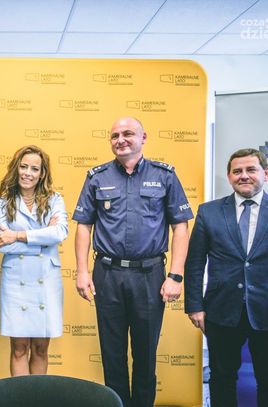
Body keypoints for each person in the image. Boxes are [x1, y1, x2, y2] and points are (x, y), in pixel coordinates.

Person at [73, 117, 193, 407]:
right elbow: (84, 226)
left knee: (145, 354)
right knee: (112, 354)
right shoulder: (97, 177)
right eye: (115, 135)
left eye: (128, 133)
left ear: (143, 137)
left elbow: (180, 226)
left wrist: (175, 275)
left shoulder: (164, 175)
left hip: (149, 275)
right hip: (107, 274)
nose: (121, 140)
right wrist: (82, 271)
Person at [185, 148, 268, 407]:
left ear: (265, 174)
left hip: (265, 309)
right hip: (221, 310)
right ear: (229, 176)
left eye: (251, 170)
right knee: (221, 378)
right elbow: (195, 263)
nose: (244, 176)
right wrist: (195, 306)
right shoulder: (209, 212)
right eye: (237, 171)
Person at [0, 145, 68, 376]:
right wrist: (44, 238)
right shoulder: (3, 202)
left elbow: (59, 233)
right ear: (16, 168)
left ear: (42, 173)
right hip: (16, 281)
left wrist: (17, 235)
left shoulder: (55, 199)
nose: (28, 173)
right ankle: (21, 396)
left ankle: (38, 395)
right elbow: (3, 244)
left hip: (46, 279)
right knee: (19, 349)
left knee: (41, 349)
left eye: (34, 169)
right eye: (23, 167)